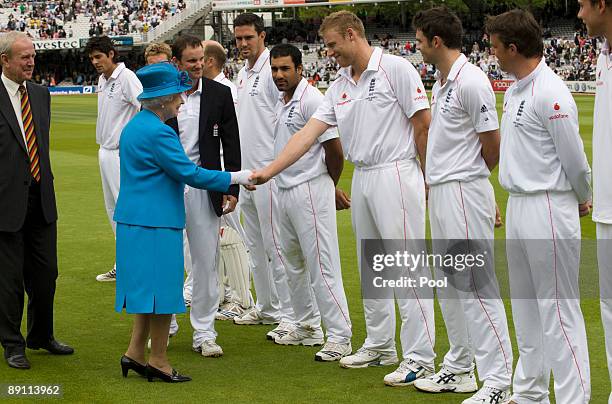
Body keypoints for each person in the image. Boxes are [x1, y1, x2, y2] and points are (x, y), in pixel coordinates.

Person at [251, 11, 435, 383]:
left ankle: (420, 357)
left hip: (397, 172)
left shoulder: (395, 69)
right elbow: (307, 135)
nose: (329, 52)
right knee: (374, 266)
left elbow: (423, 124)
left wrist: (428, 178)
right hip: (365, 175)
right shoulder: (339, 85)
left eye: (333, 45)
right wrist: (270, 171)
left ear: (352, 35)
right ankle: (381, 344)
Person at [114, 62, 254, 383]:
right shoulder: (159, 132)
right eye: (177, 95)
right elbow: (190, 173)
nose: (181, 101)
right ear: (163, 99)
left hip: (134, 220)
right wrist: (238, 177)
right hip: (157, 222)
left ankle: (135, 352)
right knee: (163, 293)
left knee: (147, 292)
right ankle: (159, 360)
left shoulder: (134, 127)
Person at [487, 10, 591, 404]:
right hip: (519, 205)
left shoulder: (550, 91)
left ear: (513, 49)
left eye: (496, 47)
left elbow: (576, 161)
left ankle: (572, 399)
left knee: (559, 312)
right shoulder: (515, 89)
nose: (492, 53)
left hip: (548, 205)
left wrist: (581, 196)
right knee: (527, 307)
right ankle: (530, 393)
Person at [410, 8, 513, 403]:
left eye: (419, 40)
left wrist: (472, 184)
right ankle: (459, 367)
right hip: (443, 190)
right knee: (452, 285)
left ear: (436, 41)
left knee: (475, 287)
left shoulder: (471, 81)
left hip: (462, 190)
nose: (417, 46)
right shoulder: (443, 82)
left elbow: (492, 146)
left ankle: (500, 384)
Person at [268, 44, 353, 361]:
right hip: (286, 188)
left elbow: (335, 150)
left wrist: (328, 185)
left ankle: (340, 336)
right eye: (275, 69)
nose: (279, 75)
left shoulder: (312, 99)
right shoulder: (282, 100)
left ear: (300, 69)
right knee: (292, 262)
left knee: (322, 264)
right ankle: (307, 326)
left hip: (310, 188)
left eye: (285, 68)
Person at [0, 31, 73, 370]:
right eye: (24, 57)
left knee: (46, 275)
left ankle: (41, 335)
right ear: (5, 60)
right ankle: (12, 344)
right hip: (5, 202)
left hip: (41, 199)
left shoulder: (42, 95)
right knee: (9, 281)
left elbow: (37, 147)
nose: (31, 62)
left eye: (33, 56)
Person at [166, 34, 241, 358]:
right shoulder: (163, 95)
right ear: (177, 63)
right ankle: (164, 326)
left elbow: (232, 144)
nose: (198, 65)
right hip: (166, 187)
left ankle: (205, 333)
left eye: (201, 59)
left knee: (206, 261)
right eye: (191, 60)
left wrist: (232, 188)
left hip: (204, 187)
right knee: (166, 260)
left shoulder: (220, 94)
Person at [232, 13, 296, 342]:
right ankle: (267, 306)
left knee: (277, 246)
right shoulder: (243, 73)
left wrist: (275, 166)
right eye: (238, 38)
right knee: (255, 246)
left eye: (248, 38)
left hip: (269, 174)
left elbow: (286, 121)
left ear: (261, 36)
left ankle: (289, 315)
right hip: (247, 174)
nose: (242, 44)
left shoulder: (273, 70)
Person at [200, 39, 254, 320]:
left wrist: (228, 180)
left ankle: (242, 299)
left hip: (222, 170)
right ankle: (224, 294)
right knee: (218, 237)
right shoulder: (208, 90)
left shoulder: (225, 90)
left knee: (233, 236)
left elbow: (230, 137)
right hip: (212, 172)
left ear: (209, 60)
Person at [85, 36, 142, 282]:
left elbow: (145, 108)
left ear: (111, 54)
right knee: (113, 211)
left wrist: (133, 144)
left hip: (121, 153)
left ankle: (133, 264)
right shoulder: (102, 80)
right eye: (92, 59)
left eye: (99, 57)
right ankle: (124, 262)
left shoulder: (126, 77)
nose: (96, 62)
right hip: (104, 151)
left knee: (125, 210)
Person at [578, 1, 612, 402]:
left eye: (584, 5)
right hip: (605, 207)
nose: (580, 15)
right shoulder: (604, 55)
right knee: (608, 307)